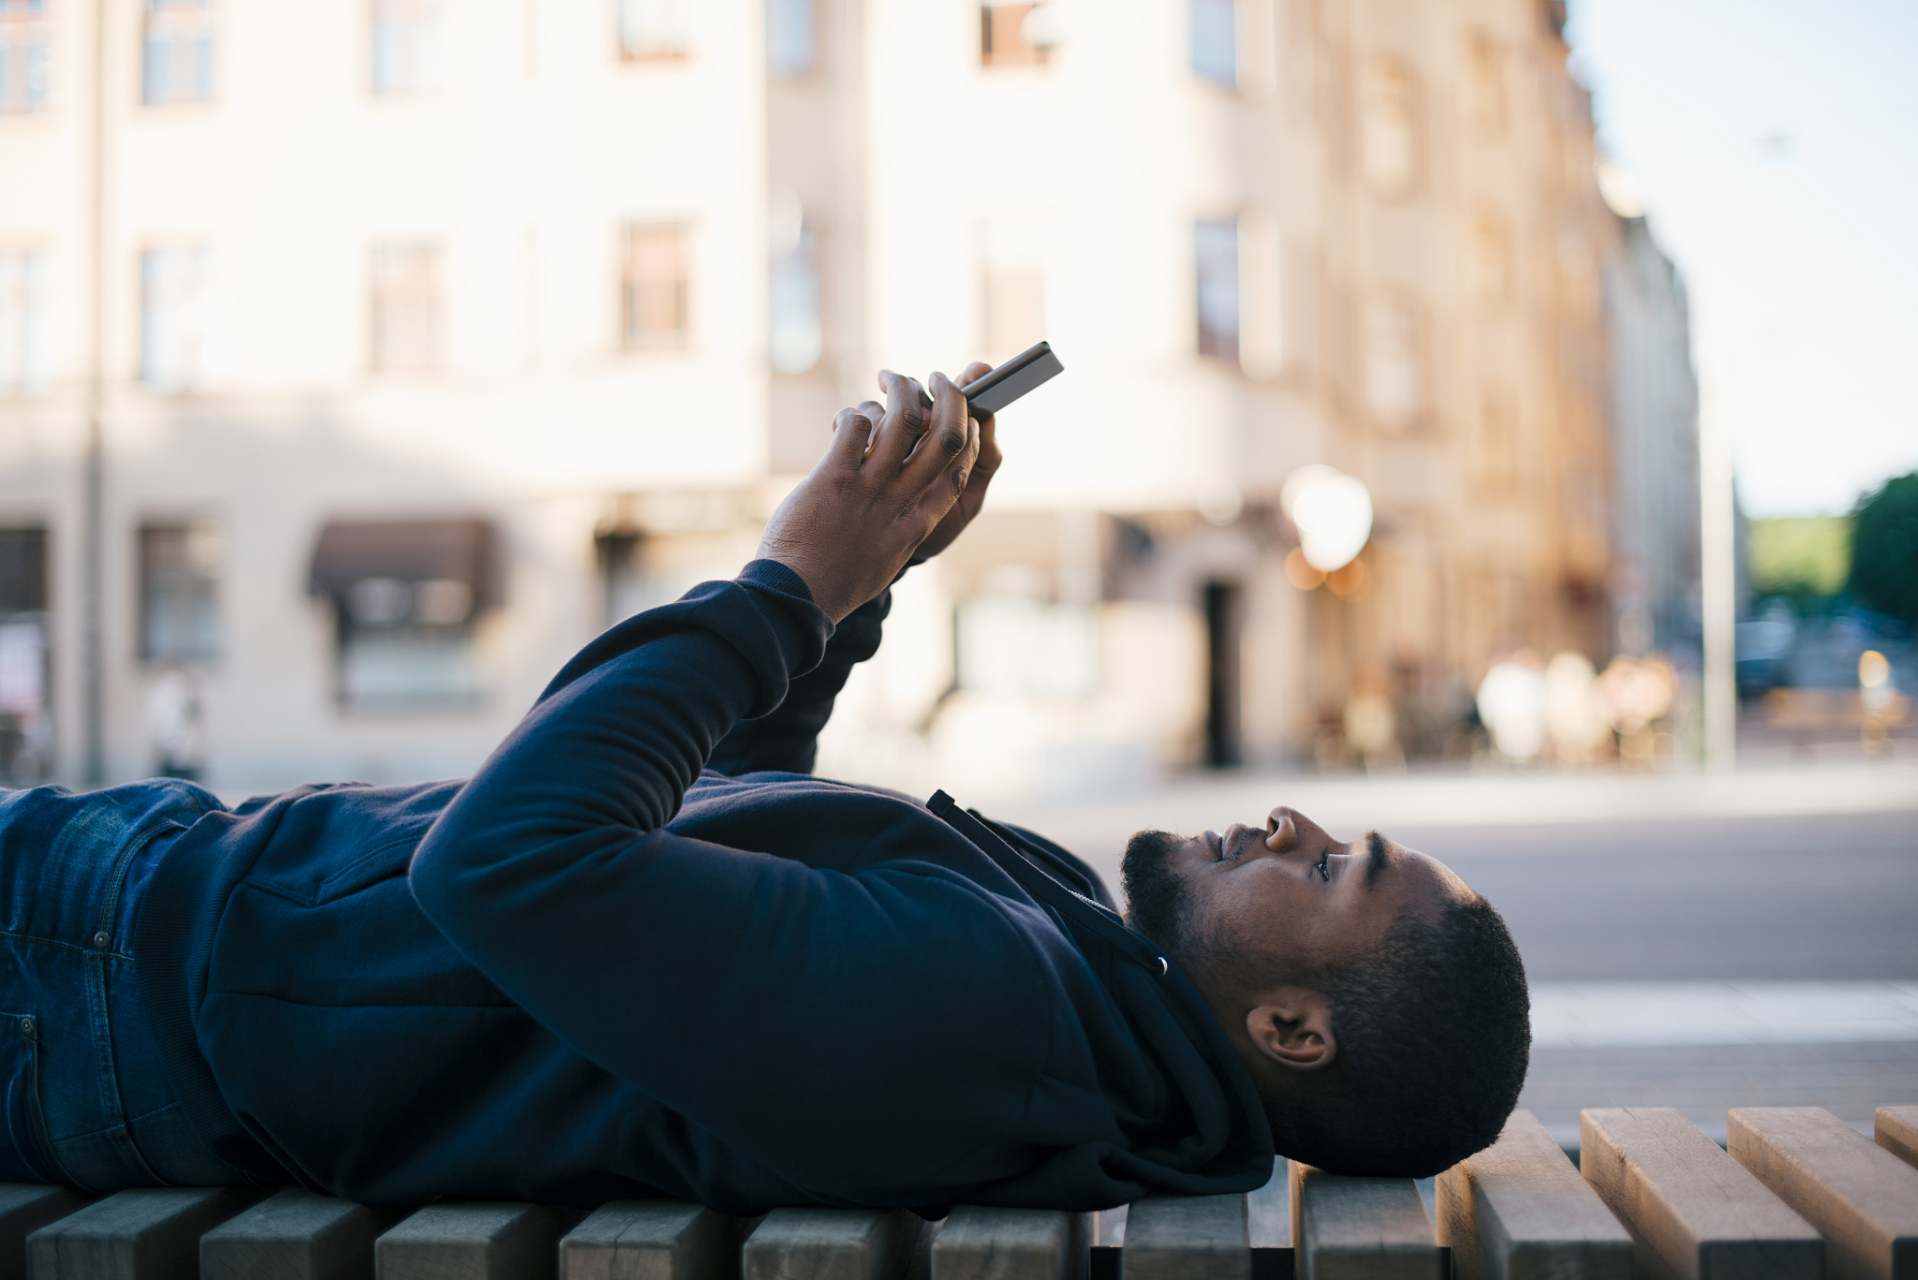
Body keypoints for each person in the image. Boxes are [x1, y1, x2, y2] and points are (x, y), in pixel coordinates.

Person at [0, 365, 1529, 1213]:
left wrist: (789, 582)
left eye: (1334, 871)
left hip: (116, 977)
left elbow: (511, 868)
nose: (1290, 824)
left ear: (1287, 1029)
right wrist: (862, 593)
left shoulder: (988, 1014)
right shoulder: (1072, 1001)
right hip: (158, 963)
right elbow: (707, 834)